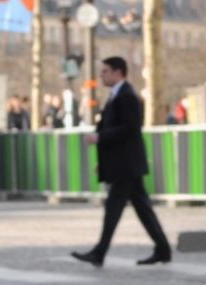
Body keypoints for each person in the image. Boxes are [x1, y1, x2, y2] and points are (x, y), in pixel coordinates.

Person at [71, 56, 171, 268]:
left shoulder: (126, 96)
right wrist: (103, 160)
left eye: (105, 71)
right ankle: (163, 249)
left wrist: (100, 137)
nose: (101, 75)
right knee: (142, 209)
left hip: (126, 165)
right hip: (124, 164)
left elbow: (130, 128)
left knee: (114, 208)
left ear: (118, 73)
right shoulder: (118, 95)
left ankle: (100, 252)